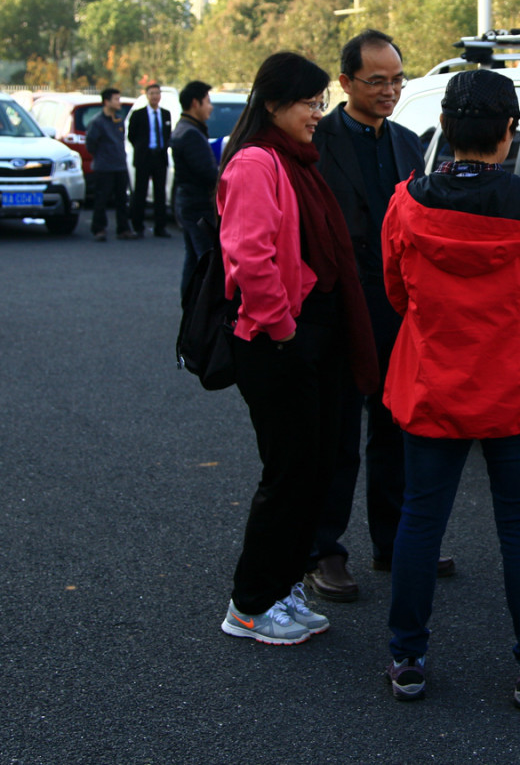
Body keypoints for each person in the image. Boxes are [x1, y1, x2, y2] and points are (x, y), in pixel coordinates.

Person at [380, 69, 520, 709]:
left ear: (445, 128)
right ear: (508, 131)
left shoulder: (407, 200)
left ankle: (407, 659)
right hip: (517, 387)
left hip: (433, 383)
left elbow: (395, 291)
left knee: (420, 520)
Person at [216, 51, 378, 647]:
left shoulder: (295, 160)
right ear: (275, 104)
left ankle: (280, 588)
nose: (318, 113)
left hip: (309, 340)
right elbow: (250, 258)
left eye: (320, 102)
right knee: (288, 476)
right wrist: (283, 329)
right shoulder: (258, 163)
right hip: (276, 343)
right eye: (311, 103)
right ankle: (250, 605)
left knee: (310, 472)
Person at [305, 29, 452, 605]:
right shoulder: (318, 142)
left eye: (397, 79)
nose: (390, 90)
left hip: (396, 308)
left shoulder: (411, 144)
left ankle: (394, 541)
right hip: (339, 306)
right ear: (345, 83)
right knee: (337, 434)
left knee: (395, 429)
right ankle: (324, 551)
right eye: (377, 81)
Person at [171, 80, 219, 299]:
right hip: (197, 205)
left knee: (193, 258)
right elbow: (207, 173)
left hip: (188, 203)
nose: (211, 107)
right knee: (207, 260)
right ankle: (204, 310)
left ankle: (191, 303)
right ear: (195, 103)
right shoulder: (190, 133)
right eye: (208, 101)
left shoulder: (186, 129)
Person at [85, 88, 136, 242]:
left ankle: (123, 228)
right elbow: (91, 144)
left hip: (120, 165)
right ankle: (99, 228)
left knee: (122, 199)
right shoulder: (97, 122)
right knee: (102, 199)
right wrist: (103, 156)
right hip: (104, 167)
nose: (118, 102)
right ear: (106, 102)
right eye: (116, 99)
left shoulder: (119, 120)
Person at [127, 82, 171, 238]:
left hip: (160, 157)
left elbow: (167, 135)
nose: (155, 96)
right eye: (152, 93)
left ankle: (161, 227)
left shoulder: (166, 114)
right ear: (147, 95)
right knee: (140, 192)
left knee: (160, 193)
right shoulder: (138, 114)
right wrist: (141, 148)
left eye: (157, 93)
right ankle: (138, 226)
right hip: (144, 157)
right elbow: (132, 135)